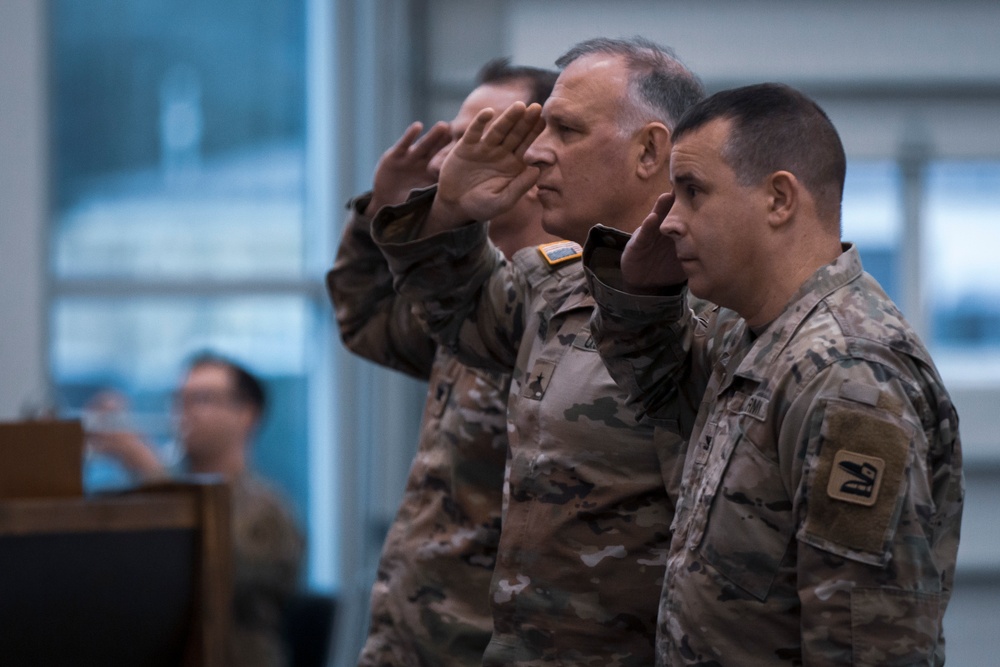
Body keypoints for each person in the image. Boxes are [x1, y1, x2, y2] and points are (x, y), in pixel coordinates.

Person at [583, 83, 964, 665]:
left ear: (780, 199)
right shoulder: (756, 334)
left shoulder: (847, 375)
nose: (669, 223)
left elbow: (865, 643)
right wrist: (643, 294)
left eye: (692, 193)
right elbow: (663, 397)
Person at [370, 37, 704, 665]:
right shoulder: (555, 280)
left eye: (567, 130)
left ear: (649, 151)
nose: (540, 152)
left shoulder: (709, 306)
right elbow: (457, 322)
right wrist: (448, 212)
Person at [327, 58, 559, 667]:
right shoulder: (467, 300)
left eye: (470, 139)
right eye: (449, 140)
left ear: (540, 160)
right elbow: (367, 320)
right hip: (413, 637)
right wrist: (385, 209)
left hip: (487, 642)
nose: (439, 163)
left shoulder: (567, 311)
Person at [88, 353, 305, 667]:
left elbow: (229, 576)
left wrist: (150, 470)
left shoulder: (270, 509)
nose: (183, 412)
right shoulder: (159, 491)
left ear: (246, 414)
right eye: (179, 399)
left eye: (201, 399)